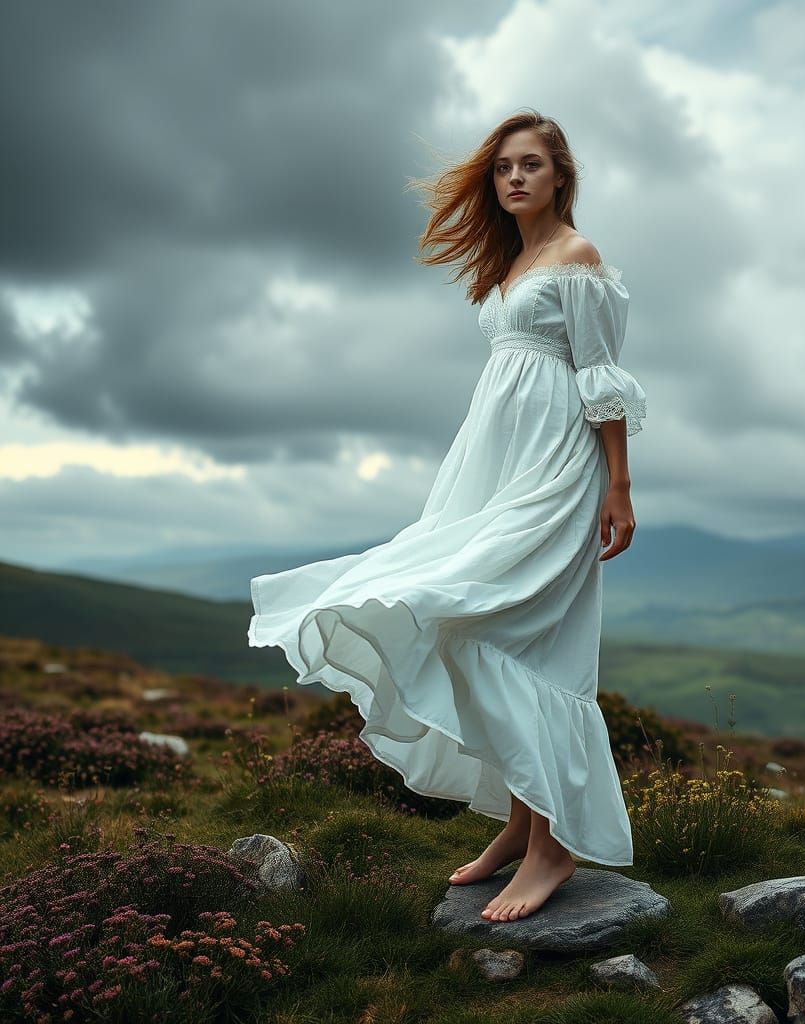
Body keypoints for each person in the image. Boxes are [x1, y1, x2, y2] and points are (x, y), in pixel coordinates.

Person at [248, 110, 647, 923]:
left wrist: (618, 485)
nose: (514, 179)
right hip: (491, 469)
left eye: (531, 165)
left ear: (561, 176)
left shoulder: (578, 258)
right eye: (504, 167)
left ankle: (554, 847)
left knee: (505, 634)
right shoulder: (512, 265)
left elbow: (602, 376)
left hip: (556, 471)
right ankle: (518, 824)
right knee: (464, 620)